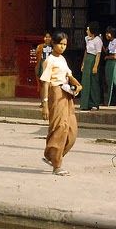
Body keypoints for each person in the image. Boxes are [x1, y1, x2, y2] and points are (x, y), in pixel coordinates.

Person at [40, 30, 82, 176]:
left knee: (72, 129)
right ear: (53, 43)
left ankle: (53, 155)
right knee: (60, 127)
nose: (63, 47)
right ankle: (57, 165)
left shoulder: (62, 60)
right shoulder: (49, 60)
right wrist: (44, 104)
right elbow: (45, 83)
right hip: (55, 92)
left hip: (67, 94)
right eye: (60, 44)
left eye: (65, 44)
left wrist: (78, 85)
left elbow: (69, 75)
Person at [79, 22, 102, 111]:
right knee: (85, 82)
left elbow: (98, 54)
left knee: (93, 82)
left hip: (93, 60)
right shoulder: (87, 38)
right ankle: (85, 104)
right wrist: (83, 63)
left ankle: (94, 103)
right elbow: (86, 51)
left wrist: (95, 66)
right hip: (87, 60)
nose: (87, 31)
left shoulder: (98, 40)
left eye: (88, 29)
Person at [35, 31, 53, 102]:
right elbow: (37, 55)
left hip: (50, 65)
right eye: (46, 37)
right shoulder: (40, 46)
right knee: (42, 83)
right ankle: (43, 101)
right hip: (42, 65)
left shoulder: (53, 47)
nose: (47, 38)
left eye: (49, 37)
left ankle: (49, 100)